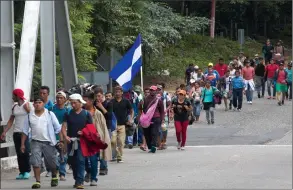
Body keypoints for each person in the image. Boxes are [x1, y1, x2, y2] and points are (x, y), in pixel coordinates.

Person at [21, 97, 62, 189]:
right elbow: (25, 131)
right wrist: (22, 144)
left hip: (49, 142)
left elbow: (58, 128)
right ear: (33, 104)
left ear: (43, 104)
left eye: (40, 102)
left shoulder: (49, 114)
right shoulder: (29, 116)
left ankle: (54, 176)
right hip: (35, 142)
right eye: (36, 102)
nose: (38, 104)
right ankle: (38, 181)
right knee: (35, 162)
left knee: (52, 163)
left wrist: (61, 141)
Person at [62, 93, 93, 189]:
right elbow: (63, 127)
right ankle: (77, 179)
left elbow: (91, 129)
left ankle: (80, 181)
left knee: (80, 160)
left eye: (75, 103)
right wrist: (65, 136)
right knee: (72, 161)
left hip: (82, 141)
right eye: (72, 103)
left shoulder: (87, 114)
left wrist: (84, 132)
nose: (73, 105)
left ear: (80, 103)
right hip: (71, 141)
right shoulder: (68, 113)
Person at [1, 89, 32, 180]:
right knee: (18, 153)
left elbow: (32, 116)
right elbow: (11, 121)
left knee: (25, 152)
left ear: (17, 96)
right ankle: (21, 172)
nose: (12, 97)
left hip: (25, 132)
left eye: (13, 95)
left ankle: (27, 171)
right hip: (16, 132)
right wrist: (4, 131)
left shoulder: (26, 105)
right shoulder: (14, 106)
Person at [51, 91, 71, 181]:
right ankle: (54, 171)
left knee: (63, 155)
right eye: (57, 98)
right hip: (52, 136)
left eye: (61, 98)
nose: (59, 99)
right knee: (53, 156)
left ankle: (62, 174)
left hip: (64, 135)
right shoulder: (51, 109)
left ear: (65, 99)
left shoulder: (68, 111)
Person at [139, 85, 164, 153]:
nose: (152, 91)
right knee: (147, 133)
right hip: (147, 119)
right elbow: (142, 109)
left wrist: (162, 119)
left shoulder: (159, 99)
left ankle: (153, 146)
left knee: (154, 132)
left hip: (156, 118)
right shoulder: (145, 98)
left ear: (156, 91)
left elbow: (162, 110)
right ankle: (149, 147)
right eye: (151, 90)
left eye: (153, 90)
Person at [112, 86, 133, 163]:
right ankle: (114, 154)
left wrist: (130, 119)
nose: (117, 93)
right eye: (116, 92)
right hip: (113, 125)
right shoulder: (112, 102)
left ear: (121, 93)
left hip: (122, 125)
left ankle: (119, 156)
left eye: (119, 92)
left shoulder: (126, 101)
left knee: (121, 141)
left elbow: (131, 110)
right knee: (113, 141)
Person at [93, 89, 112, 175]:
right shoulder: (93, 105)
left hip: (105, 128)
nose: (98, 98)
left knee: (103, 147)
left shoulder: (108, 104)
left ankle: (103, 167)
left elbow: (109, 116)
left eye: (99, 96)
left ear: (102, 95)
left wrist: (101, 107)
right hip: (95, 128)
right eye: (96, 96)